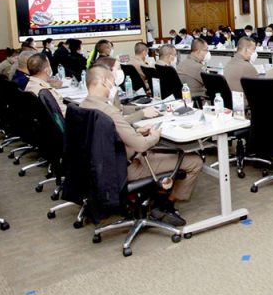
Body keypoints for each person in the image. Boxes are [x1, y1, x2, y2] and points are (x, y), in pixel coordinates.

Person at [81, 66, 202, 226]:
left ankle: (158, 195)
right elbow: (141, 145)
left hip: (102, 168)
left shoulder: (83, 106)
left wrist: (136, 131)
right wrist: (155, 135)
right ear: (104, 82)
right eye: (112, 82)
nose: (113, 86)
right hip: (125, 168)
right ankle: (164, 205)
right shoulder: (108, 111)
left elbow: (107, 136)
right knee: (194, 161)